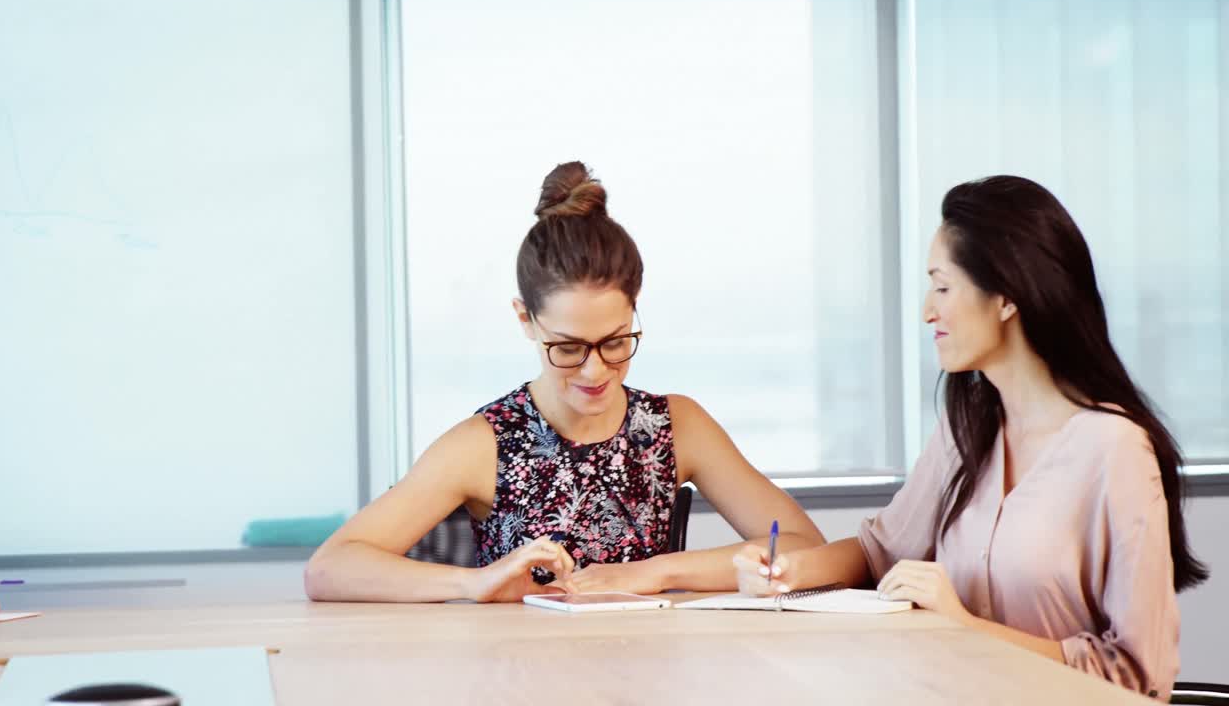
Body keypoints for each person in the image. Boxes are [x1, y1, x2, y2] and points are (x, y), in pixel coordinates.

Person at [733, 175, 1207, 700]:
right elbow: (879, 553)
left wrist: (962, 624)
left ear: (1005, 297)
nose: (926, 312)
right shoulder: (966, 430)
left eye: (942, 286)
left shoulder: (1113, 450)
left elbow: (1139, 679)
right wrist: (788, 572)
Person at [306, 161, 824, 603]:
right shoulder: (483, 444)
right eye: (568, 348)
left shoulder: (676, 424)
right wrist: (477, 583)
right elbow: (330, 568)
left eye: (616, 342)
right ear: (525, 320)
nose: (595, 371)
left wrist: (654, 572)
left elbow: (803, 545)